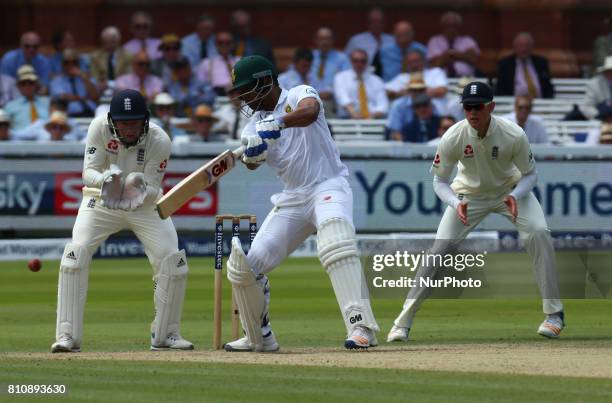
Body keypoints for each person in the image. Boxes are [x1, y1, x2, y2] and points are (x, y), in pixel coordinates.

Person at [386, 81, 565, 343]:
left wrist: (515, 196)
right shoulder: (453, 136)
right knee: (438, 251)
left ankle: (554, 315)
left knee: (539, 233)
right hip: (468, 197)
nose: (472, 113)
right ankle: (402, 322)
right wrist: (455, 203)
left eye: (477, 107)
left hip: (510, 191)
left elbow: (530, 175)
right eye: (467, 107)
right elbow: (439, 182)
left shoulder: (513, 134)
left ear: (491, 107)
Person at [223, 55, 379, 351]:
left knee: (336, 243)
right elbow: (252, 163)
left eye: (245, 89)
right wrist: (253, 154)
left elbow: (311, 111)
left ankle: (362, 327)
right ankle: (259, 336)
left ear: (264, 81)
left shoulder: (298, 94)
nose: (241, 96)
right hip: (293, 198)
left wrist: (280, 121)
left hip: (328, 185)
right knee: (246, 267)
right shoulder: (251, 128)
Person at [50, 89, 193, 353]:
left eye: (135, 122)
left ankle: (166, 334)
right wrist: (106, 181)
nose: (129, 129)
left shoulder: (160, 140)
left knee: (173, 260)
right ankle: (67, 336)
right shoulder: (99, 128)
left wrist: (136, 189)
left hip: (144, 205)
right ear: (113, 120)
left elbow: (153, 187)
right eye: (124, 122)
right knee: (75, 254)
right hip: (101, 201)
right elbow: (88, 172)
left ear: (146, 120)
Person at [384, 50, 449, 113]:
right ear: (406, 64)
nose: (414, 65)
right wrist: (399, 94)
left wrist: (412, 92)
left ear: (423, 61)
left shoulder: (435, 72)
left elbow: (442, 91)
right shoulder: (402, 77)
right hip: (408, 115)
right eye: (410, 62)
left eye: (416, 61)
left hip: (435, 113)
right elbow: (386, 92)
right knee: (397, 105)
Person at [496, 32, 554, 99]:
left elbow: (548, 87)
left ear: (532, 47)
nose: (524, 49)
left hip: (540, 103)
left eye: (527, 45)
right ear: (515, 47)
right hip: (514, 105)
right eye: (520, 45)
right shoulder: (505, 64)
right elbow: (500, 89)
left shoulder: (541, 62)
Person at [333, 49, 388, 119]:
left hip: (372, 118)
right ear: (351, 61)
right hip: (347, 118)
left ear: (367, 62)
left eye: (363, 61)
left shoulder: (377, 80)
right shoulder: (340, 77)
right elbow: (342, 99)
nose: (359, 64)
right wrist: (354, 114)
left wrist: (371, 116)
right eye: (355, 61)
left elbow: (383, 105)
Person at [310, 27, 350, 116]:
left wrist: (331, 92)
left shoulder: (342, 58)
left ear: (332, 40)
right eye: (321, 39)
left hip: (333, 100)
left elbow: (347, 81)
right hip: (310, 98)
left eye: (327, 39)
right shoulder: (309, 57)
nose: (324, 42)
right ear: (316, 40)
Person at [426, 12, 480, 78]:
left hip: (466, 79)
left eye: (454, 25)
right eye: (448, 25)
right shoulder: (434, 41)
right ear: (443, 26)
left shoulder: (468, 40)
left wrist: (449, 54)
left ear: (459, 26)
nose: (451, 28)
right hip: (441, 80)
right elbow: (435, 64)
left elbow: (473, 58)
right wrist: (462, 55)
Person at [344, 7, 394, 76]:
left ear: (384, 22)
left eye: (379, 21)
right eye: (374, 21)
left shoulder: (392, 40)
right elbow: (346, 61)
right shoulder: (356, 40)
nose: (377, 24)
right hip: (363, 77)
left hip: (388, 78)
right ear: (368, 23)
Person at [49, 49, 98, 117]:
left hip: (91, 113)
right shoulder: (56, 81)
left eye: (74, 62)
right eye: (67, 62)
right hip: (70, 116)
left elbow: (94, 96)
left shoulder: (86, 78)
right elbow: (63, 97)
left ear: (79, 63)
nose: (71, 65)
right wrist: (83, 98)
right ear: (62, 64)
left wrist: (83, 77)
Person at [4, 65, 50, 131]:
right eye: (23, 83)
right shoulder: (10, 106)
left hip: (45, 140)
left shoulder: (48, 103)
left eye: (31, 82)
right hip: (19, 140)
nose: (27, 86)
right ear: (18, 86)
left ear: (36, 84)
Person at [196, 31, 239, 96]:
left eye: (227, 42)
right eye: (220, 42)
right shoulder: (206, 63)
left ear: (233, 44)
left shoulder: (239, 61)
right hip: (216, 99)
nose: (224, 45)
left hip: (238, 97)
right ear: (216, 44)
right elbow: (199, 87)